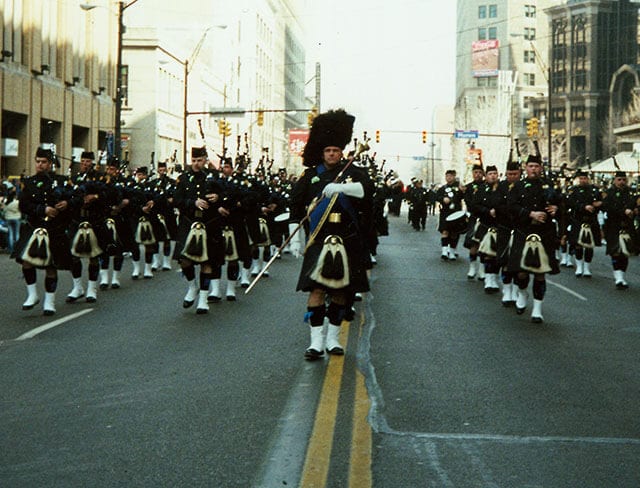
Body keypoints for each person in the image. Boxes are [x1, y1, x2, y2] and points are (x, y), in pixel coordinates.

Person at [288, 109, 373, 360]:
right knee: (316, 291)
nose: (332, 154)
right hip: (318, 239)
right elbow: (295, 205)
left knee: (339, 292)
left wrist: (342, 187)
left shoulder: (353, 173)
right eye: (328, 151)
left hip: (345, 239)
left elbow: (367, 191)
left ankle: (333, 340)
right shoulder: (310, 176)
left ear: (341, 151)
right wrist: (294, 236)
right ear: (322, 152)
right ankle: (315, 342)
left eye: (336, 150)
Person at [12, 148, 74, 315]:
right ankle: (32, 295)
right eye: (38, 161)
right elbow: (23, 206)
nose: (40, 164)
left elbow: (75, 199)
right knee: (26, 261)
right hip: (34, 227)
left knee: (50, 266)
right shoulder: (29, 182)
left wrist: (67, 204)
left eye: (44, 162)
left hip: (54, 229)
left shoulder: (61, 181)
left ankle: (49, 301)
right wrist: (42, 209)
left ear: (50, 163)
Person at [506, 147, 561, 323]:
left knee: (540, 272)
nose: (534, 169)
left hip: (544, 233)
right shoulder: (518, 187)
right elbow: (511, 207)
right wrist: (530, 214)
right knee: (521, 273)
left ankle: (537, 310)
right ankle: (522, 293)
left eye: (537, 166)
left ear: (541, 168)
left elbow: (562, 205)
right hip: (524, 232)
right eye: (531, 166)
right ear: (525, 168)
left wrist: (556, 209)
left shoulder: (549, 186)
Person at [173, 147, 224, 314]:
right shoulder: (183, 178)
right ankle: (192, 287)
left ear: (205, 159)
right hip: (188, 222)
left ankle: (203, 299)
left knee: (206, 262)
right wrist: (193, 202)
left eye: (199, 160)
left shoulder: (214, 177)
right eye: (193, 160)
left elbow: (225, 195)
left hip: (209, 223)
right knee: (184, 260)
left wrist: (218, 198)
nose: (196, 164)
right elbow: (177, 200)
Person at [601, 171, 637, 289]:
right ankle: (618, 278)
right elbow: (608, 208)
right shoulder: (609, 193)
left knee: (625, 253)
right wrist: (623, 211)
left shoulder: (631, 193)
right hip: (613, 226)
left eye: (623, 180)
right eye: (619, 179)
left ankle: (622, 276)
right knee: (615, 252)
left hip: (627, 226)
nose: (622, 182)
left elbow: (635, 206)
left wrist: (635, 211)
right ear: (615, 180)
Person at [565, 170, 602, 278]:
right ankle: (579, 267)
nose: (583, 180)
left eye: (585, 178)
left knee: (590, 246)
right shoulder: (574, 191)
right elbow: (570, 203)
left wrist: (598, 204)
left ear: (588, 179)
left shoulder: (594, 190)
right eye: (581, 178)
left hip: (591, 221)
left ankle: (586, 268)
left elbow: (602, 203)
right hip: (578, 220)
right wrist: (583, 207)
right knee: (578, 245)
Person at [436, 169, 465, 260]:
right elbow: (437, 197)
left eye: (450, 176)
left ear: (454, 176)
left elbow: (463, 197)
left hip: (456, 213)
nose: (448, 178)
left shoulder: (459, 187)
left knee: (454, 233)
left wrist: (462, 191)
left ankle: (452, 251)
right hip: (445, 212)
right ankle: (444, 251)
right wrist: (443, 199)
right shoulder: (443, 188)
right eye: (447, 176)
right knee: (445, 231)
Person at [463, 164, 486, 278]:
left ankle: (482, 270)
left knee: (483, 245)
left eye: (480, 172)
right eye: (475, 172)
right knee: (473, 245)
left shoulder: (487, 186)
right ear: (472, 174)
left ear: (483, 174)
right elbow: (469, 203)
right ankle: (472, 268)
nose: (477, 174)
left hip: (485, 219)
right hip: (473, 218)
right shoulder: (468, 188)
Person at [2, 186, 21, 254]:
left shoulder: (6, 203)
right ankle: (17, 249)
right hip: (17, 218)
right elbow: (20, 209)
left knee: (10, 234)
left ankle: (11, 249)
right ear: (15, 196)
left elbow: (3, 211)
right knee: (17, 234)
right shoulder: (17, 202)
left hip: (8, 219)